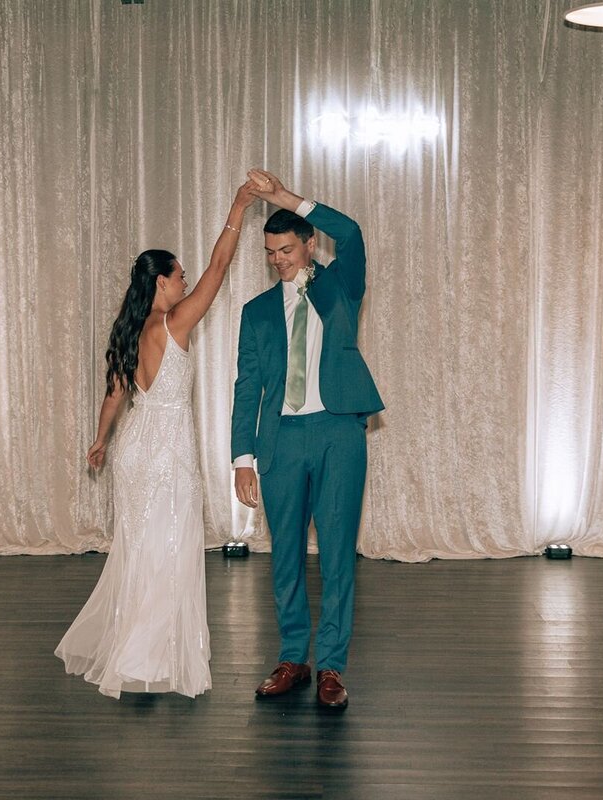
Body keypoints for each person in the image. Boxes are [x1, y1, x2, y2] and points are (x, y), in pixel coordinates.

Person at [55, 180, 257, 699]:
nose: (187, 281)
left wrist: (100, 439)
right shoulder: (174, 322)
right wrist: (236, 208)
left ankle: (146, 647)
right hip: (167, 448)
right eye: (179, 275)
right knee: (170, 549)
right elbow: (218, 270)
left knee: (142, 547)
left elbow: (114, 395)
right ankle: (148, 653)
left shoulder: (129, 327)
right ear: (164, 282)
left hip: (134, 447)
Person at [231, 169, 384, 710]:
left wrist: (281, 196)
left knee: (339, 553)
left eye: (288, 249)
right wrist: (242, 457)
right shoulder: (256, 312)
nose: (279, 260)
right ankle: (294, 658)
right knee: (286, 555)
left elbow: (355, 232)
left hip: (338, 431)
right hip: (281, 441)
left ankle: (332, 667)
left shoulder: (339, 285)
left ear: (308, 244)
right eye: (271, 252)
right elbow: (248, 385)